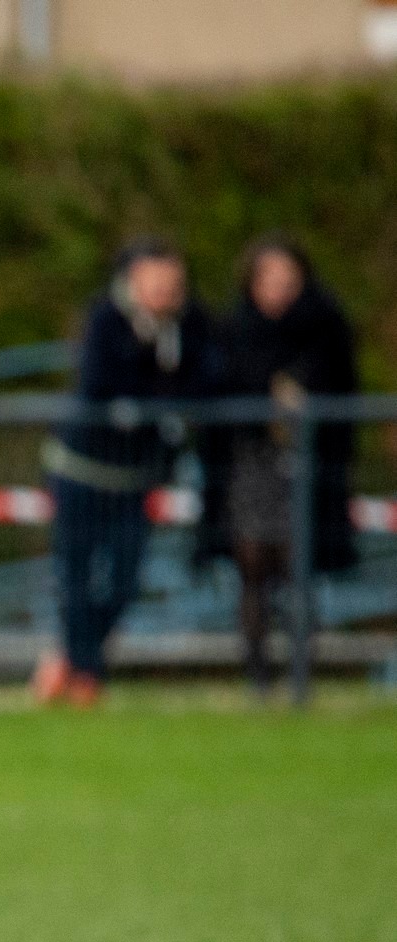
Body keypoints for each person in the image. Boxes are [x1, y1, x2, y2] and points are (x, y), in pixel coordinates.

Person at [35, 238, 221, 707]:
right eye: (153, 280)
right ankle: (85, 677)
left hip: (136, 479)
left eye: (171, 282)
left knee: (124, 581)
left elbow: (204, 384)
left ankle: (75, 660)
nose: (163, 290)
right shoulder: (106, 320)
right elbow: (101, 385)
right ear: (131, 280)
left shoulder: (192, 326)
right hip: (82, 471)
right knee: (75, 577)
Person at [201, 236, 360, 694]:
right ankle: (258, 676)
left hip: (308, 462)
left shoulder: (325, 328)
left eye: (288, 281)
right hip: (250, 462)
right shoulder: (232, 330)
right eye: (269, 280)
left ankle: (300, 674)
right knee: (252, 562)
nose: (279, 290)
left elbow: (342, 388)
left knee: (299, 563)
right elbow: (216, 387)